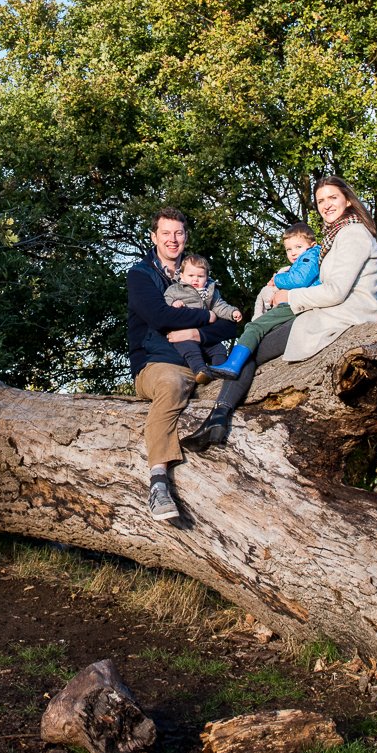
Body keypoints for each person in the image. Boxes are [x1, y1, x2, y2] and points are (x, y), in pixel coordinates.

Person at [184, 177, 377, 451]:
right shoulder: (337, 235)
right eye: (321, 201)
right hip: (330, 310)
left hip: (345, 314)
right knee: (253, 344)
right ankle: (217, 418)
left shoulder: (353, 234)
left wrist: (289, 296)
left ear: (348, 200)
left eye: (332, 198)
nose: (326, 205)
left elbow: (336, 291)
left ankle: (218, 418)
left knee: (251, 349)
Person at [127, 207, 241, 521]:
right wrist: (205, 317)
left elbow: (230, 323)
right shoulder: (140, 275)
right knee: (172, 384)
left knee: (239, 377)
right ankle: (158, 481)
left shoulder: (198, 273)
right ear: (154, 237)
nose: (173, 239)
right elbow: (159, 317)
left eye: (178, 233)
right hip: (157, 363)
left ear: (185, 236)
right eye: (166, 233)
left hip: (201, 362)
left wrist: (195, 331)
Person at [205, 223, 319, 385]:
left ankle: (232, 364)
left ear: (311, 245)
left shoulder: (310, 256)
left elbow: (299, 280)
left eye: (298, 246)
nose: (293, 253)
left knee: (255, 326)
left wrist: (277, 280)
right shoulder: (305, 259)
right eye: (289, 249)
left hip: (297, 303)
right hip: (298, 304)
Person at [163, 253, 242, 381]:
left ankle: (220, 370)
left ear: (206, 277)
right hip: (182, 333)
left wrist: (232, 312)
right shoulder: (175, 289)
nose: (195, 279)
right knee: (190, 350)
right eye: (191, 275)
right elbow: (165, 303)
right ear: (181, 275)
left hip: (204, 332)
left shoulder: (209, 291)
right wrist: (173, 304)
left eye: (200, 276)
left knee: (219, 349)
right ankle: (200, 371)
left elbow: (219, 306)